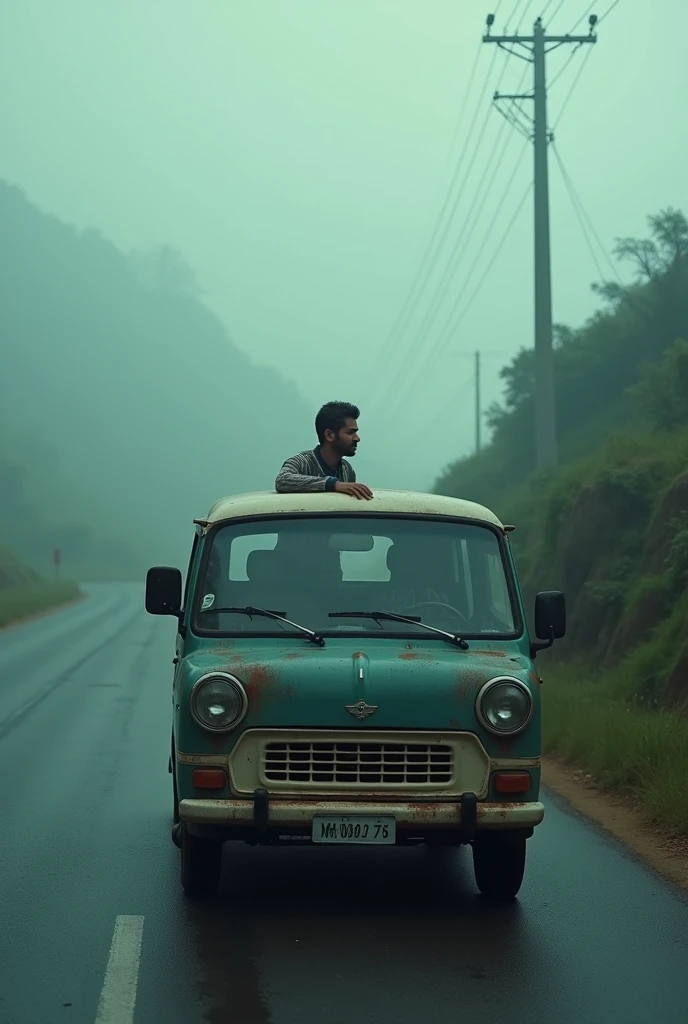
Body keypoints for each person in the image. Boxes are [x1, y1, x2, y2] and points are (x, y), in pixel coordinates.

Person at [275, 401, 373, 499]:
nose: (357, 438)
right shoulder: (301, 462)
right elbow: (282, 480)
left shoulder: (347, 470)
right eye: (350, 433)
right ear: (329, 435)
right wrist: (333, 484)